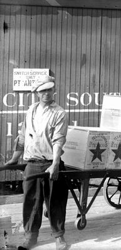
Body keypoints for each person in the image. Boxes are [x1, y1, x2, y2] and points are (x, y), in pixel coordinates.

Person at [5, 75, 69, 250]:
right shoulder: (31, 110)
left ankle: (59, 237)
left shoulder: (59, 113)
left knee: (55, 201)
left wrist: (55, 164)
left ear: (54, 90)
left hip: (50, 163)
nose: (46, 94)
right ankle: (30, 237)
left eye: (49, 89)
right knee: (31, 202)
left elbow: (58, 141)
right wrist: (15, 158)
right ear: (37, 93)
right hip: (31, 164)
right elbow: (22, 136)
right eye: (42, 91)